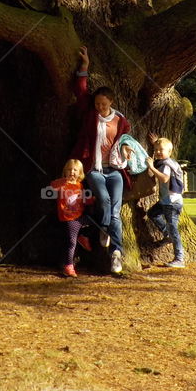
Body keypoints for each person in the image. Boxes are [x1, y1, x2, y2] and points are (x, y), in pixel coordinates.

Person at [69, 46, 131, 275]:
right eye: (97, 104)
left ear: (111, 102)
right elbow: (81, 90)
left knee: (115, 211)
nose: (100, 107)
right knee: (104, 201)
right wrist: (84, 67)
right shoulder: (89, 114)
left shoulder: (122, 120)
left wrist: (126, 150)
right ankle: (104, 228)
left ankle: (116, 253)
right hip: (93, 168)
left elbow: (126, 140)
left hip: (114, 170)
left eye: (103, 104)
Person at [47, 158, 92, 277]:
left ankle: (83, 235)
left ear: (80, 173)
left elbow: (85, 200)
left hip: (80, 218)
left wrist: (93, 199)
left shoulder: (80, 185)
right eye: (69, 170)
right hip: (68, 219)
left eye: (75, 170)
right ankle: (68, 266)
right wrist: (63, 181)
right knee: (71, 242)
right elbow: (52, 187)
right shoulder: (63, 185)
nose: (72, 172)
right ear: (65, 172)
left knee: (95, 220)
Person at [145, 137, 186, 268]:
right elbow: (161, 152)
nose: (157, 152)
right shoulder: (168, 161)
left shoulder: (166, 165)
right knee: (152, 213)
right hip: (166, 201)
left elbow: (164, 178)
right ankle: (166, 234)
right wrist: (157, 143)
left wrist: (151, 166)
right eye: (155, 150)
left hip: (171, 203)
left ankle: (180, 259)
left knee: (174, 229)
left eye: (161, 150)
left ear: (169, 151)